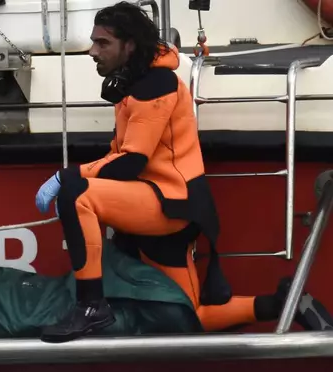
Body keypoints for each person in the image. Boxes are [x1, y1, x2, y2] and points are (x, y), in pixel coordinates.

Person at [35, 1, 332, 343]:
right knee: (188, 316)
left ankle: (90, 307)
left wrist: (68, 177)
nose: (92, 51)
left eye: (103, 43)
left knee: (78, 194)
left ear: (129, 45)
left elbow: (132, 160)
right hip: (160, 205)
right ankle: (283, 304)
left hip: (167, 204)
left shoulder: (155, 85)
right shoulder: (136, 82)